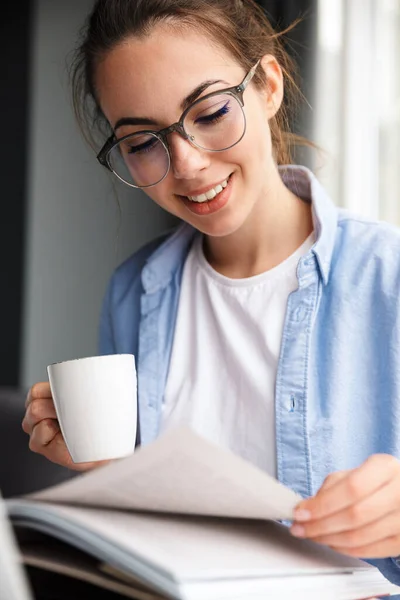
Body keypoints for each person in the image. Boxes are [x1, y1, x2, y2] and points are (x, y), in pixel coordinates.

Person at [21, 0, 400, 591]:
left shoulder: (389, 278)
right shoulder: (133, 292)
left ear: (268, 87)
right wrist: (105, 472)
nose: (188, 164)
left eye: (212, 111)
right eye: (143, 142)